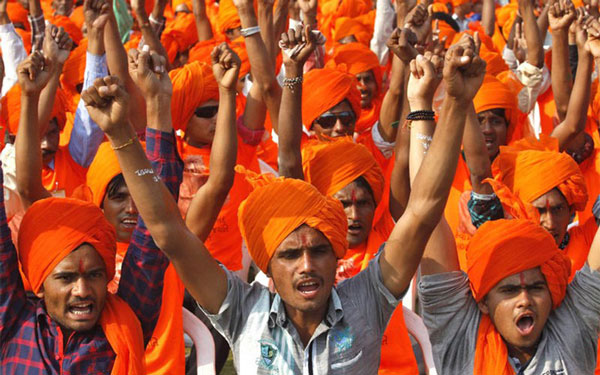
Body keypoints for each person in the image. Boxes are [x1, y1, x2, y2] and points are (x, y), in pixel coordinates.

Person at [82, 25, 486, 373]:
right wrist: (121, 137)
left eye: (319, 251)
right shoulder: (242, 309)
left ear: (337, 253)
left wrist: (454, 103)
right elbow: (168, 232)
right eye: (290, 255)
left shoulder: (368, 299)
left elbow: (423, 210)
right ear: (267, 266)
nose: (307, 266)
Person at [0, 52, 169, 374]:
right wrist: (28, 97)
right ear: (39, 283)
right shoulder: (13, 321)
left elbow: (157, 223)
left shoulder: (127, 318)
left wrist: (145, 114)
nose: (82, 291)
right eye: (65, 277)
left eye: (94, 275)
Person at [419, 217, 600, 374]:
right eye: (509, 291)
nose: (524, 301)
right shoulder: (461, 338)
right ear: (483, 302)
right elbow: (428, 211)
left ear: (552, 292)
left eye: (536, 288)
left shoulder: (573, 328)